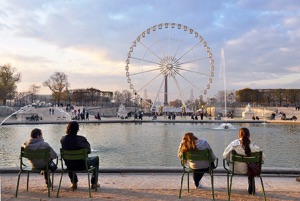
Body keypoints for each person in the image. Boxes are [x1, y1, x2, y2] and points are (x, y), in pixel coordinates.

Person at [223, 127, 265, 194]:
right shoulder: (254, 146)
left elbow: (225, 155)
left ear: (239, 135)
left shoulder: (234, 145)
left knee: (247, 164)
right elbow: (263, 158)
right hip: (251, 170)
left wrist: (229, 160)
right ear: (249, 136)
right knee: (251, 165)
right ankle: (251, 188)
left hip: (235, 169)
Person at [60, 121, 100, 190]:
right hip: (82, 165)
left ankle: (74, 182)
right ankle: (94, 183)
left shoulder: (63, 140)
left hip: (69, 165)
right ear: (77, 129)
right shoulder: (82, 139)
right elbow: (89, 151)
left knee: (69, 160)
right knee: (96, 158)